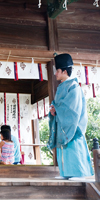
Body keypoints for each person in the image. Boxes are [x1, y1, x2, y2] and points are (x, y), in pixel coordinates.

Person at [48, 53, 94, 181]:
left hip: (72, 126)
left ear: (63, 71)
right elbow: (59, 104)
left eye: (57, 71)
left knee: (73, 146)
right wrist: (53, 108)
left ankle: (79, 173)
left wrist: (57, 108)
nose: (55, 74)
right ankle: (66, 173)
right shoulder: (62, 86)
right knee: (64, 149)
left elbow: (71, 108)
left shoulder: (73, 86)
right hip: (63, 123)